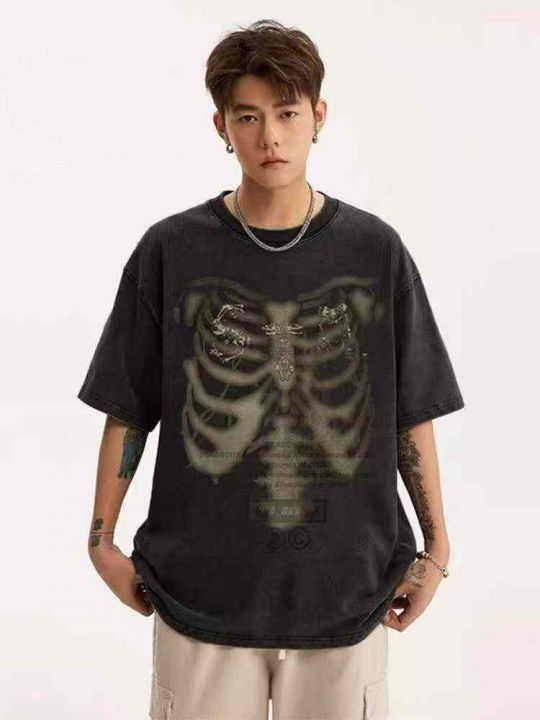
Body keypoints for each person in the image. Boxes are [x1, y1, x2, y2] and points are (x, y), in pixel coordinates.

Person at [78, 18, 465, 720]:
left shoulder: (376, 252)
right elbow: (128, 404)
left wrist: (437, 548)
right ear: (222, 127)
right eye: (248, 117)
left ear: (319, 117)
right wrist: (101, 540)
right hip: (200, 592)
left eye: (287, 114)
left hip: (348, 593)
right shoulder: (170, 250)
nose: (270, 138)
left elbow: (412, 409)